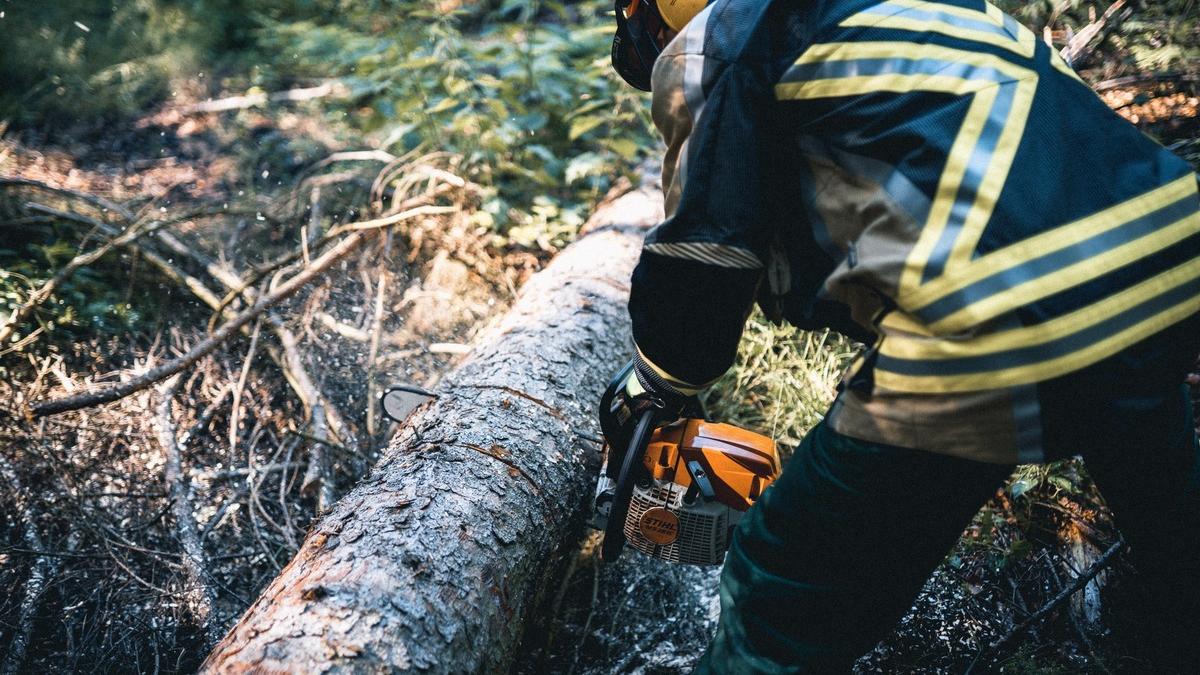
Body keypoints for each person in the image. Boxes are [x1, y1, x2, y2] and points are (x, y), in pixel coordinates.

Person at [600, 0, 1200, 672]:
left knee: (780, 580)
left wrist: (656, 381)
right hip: (1168, 259)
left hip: (1001, 306)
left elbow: (704, 256)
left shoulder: (722, 38)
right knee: (1179, 538)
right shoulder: (917, 6)